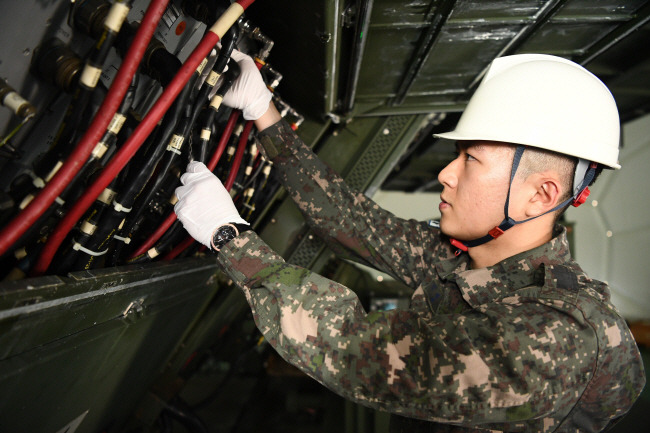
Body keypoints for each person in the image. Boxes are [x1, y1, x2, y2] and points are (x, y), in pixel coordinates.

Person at [174, 51, 646, 432]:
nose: (445, 173)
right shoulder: (469, 260)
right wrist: (264, 113)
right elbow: (353, 222)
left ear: (539, 195)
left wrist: (230, 238)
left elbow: (358, 352)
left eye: (472, 160)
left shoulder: (561, 338)